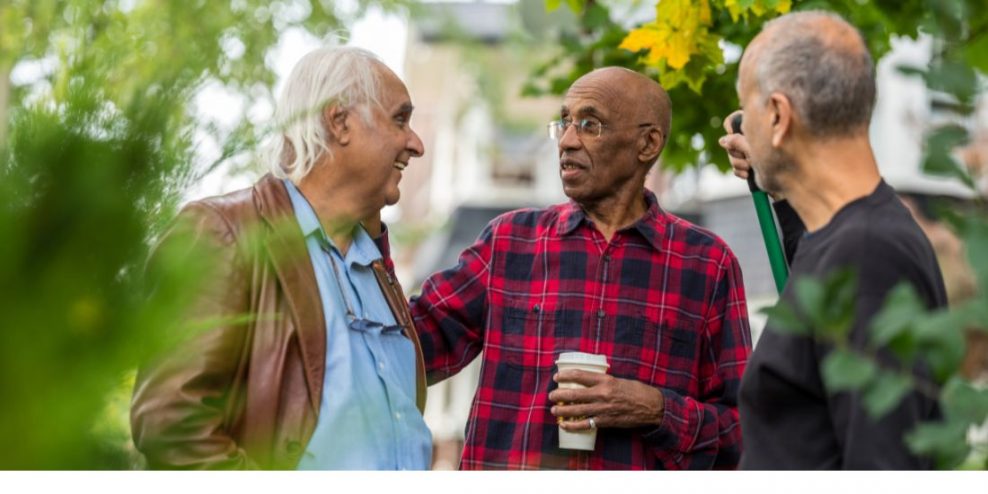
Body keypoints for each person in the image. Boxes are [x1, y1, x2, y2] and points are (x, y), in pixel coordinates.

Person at [405, 67, 752, 469]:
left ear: (647, 143)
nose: (567, 141)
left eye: (590, 124)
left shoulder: (707, 264)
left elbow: (745, 430)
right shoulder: (509, 241)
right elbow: (403, 351)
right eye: (565, 123)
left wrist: (657, 410)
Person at [130, 46, 432, 470]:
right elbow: (172, 422)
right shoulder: (225, 232)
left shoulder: (377, 267)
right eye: (400, 119)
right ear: (339, 121)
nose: (416, 144)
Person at [717, 11, 947, 469]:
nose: (741, 130)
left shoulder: (868, 257)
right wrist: (775, 182)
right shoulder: (852, 238)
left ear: (779, 116)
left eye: (749, 112)